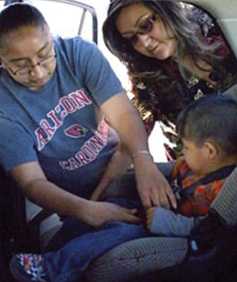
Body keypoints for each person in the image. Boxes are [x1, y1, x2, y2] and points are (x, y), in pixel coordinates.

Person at [0, 2, 177, 282]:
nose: (37, 71)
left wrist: (143, 160)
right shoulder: (3, 107)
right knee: (129, 228)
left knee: (179, 189)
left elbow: (123, 113)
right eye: (20, 66)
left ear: (52, 38)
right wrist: (88, 210)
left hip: (119, 173)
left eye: (45, 55)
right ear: (1, 60)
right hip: (69, 200)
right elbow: (32, 183)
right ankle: (51, 265)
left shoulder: (78, 54)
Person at [102, 0, 237, 161]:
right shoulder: (145, 77)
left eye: (146, 26)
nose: (144, 42)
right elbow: (134, 126)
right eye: (132, 39)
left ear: (167, 11)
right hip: (202, 168)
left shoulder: (216, 25)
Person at [146, 95, 237, 237]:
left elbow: (211, 231)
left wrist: (168, 222)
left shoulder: (225, 194)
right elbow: (172, 170)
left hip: (173, 232)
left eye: (187, 147)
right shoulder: (192, 164)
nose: (182, 151)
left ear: (209, 151)